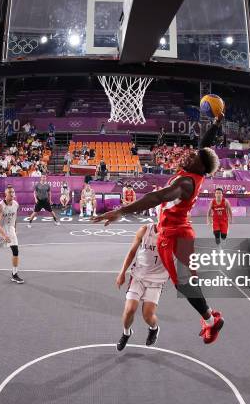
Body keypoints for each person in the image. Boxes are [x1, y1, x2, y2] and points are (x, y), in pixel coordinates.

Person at [93, 111, 225, 344]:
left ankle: (211, 320)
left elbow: (156, 197)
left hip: (173, 235)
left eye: (194, 157)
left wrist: (121, 211)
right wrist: (216, 124)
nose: (189, 155)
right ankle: (210, 318)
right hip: (178, 231)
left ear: (199, 167)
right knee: (186, 282)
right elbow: (204, 147)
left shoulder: (185, 182)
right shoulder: (196, 170)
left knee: (184, 284)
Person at [115, 223, 168, 351]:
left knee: (147, 316)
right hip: (138, 276)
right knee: (129, 310)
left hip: (156, 280)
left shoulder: (172, 235)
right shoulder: (144, 230)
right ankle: (126, 332)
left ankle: (154, 329)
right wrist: (122, 273)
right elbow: (132, 251)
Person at [0, 186, 24, 283]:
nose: (12, 194)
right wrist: (4, 235)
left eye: (13, 192)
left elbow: (15, 218)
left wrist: (15, 230)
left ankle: (14, 274)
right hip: (0, 230)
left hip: (11, 229)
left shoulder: (16, 204)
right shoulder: (1, 205)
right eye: (10, 192)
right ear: (6, 194)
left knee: (15, 250)